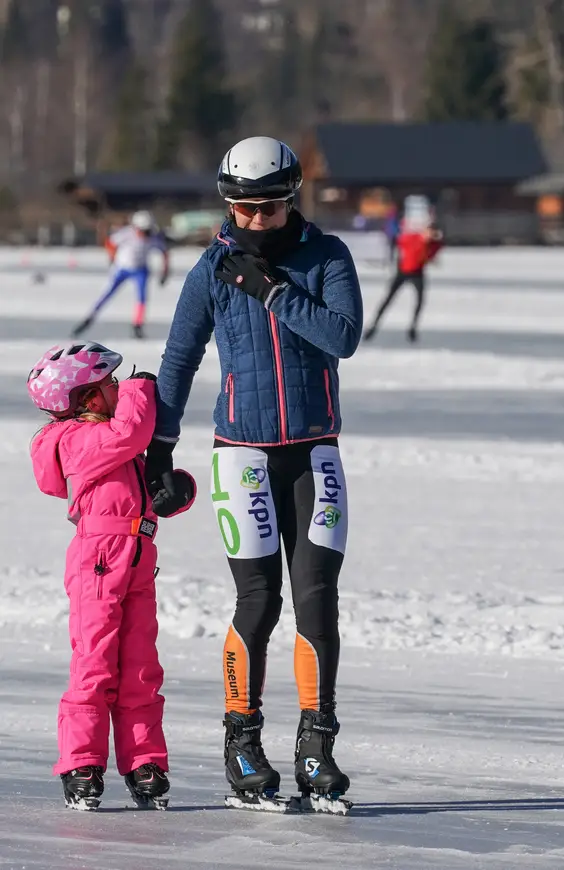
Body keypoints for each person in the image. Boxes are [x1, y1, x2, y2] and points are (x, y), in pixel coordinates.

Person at [144, 136, 362, 813]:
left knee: (317, 597)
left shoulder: (327, 256)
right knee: (258, 600)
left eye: (268, 206)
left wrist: (272, 292)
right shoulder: (211, 269)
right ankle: (242, 745)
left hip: (314, 452)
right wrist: (159, 449)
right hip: (241, 453)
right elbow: (178, 361)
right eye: (242, 207)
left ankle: (316, 748)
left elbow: (343, 336)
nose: (255, 218)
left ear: (291, 200)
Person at [26, 341, 196, 810]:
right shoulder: (73, 440)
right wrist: (143, 389)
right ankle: (81, 761)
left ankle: (144, 760)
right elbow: (132, 433)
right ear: (89, 398)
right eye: (112, 383)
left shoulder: (110, 440)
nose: (121, 388)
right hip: (97, 560)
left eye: (121, 383)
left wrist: (177, 491)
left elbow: (140, 482)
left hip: (138, 555)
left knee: (141, 666)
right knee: (95, 662)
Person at [72, 211, 170, 341]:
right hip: (122, 268)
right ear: (135, 228)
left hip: (140, 270)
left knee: (142, 298)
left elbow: (164, 252)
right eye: (142, 231)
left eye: (147, 231)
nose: (144, 235)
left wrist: (165, 271)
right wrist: (112, 257)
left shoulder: (152, 237)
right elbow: (110, 243)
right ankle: (90, 318)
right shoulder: (126, 234)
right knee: (107, 294)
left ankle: (138, 325)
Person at [363, 222, 444, 343]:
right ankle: (373, 326)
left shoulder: (433, 245)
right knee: (388, 299)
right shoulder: (412, 237)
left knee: (420, 301)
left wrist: (432, 243)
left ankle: (412, 328)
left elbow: (430, 256)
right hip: (402, 271)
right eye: (429, 232)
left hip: (417, 273)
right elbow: (397, 241)